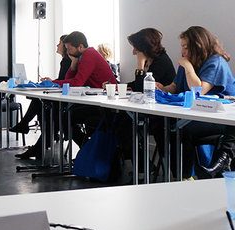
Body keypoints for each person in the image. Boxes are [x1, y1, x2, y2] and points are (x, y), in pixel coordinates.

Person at [18, 31, 117, 159]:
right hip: (91, 98)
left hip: (102, 103)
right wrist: (74, 63)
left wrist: (53, 83)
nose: (68, 52)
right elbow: (68, 79)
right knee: (57, 113)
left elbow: (77, 82)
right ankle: (42, 147)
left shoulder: (89, 55)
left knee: (62, 116)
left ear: (80, 47)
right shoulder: (82, 56)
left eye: (69, 49)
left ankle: (86, 149)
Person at [159, 26, 235, 177]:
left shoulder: (215, 62)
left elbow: (199, 90)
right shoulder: (190, 62)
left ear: (198, 46)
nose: (182, 52)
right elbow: (175, 87)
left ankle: (187, 176)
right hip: (198, 114)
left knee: (181, 130)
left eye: (186, 47)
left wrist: (188, 67)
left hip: (221, 118)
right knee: (163, 125)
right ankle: (180, 175)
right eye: (182, 47)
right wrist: (161, 88)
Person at [11, 34, 70, 135]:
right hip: (62, 94)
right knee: (39, 101)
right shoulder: (66, 60)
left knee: (39, 101)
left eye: (59, 43)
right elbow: (63, 79)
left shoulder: (66, 61)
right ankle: (27, 126)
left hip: (64, 98)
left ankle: (26, 125)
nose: (57, 45)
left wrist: (52, 82)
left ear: (65, 47)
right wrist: (52, 81)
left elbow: (64, 81)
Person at [127, 28, 175, 92]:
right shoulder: (149, 60)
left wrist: (140, 64)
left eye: (136, 49)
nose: (133, 52)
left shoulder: (161, 61)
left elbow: (142, 88)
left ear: (144, 48)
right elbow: (137, 83)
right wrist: (120, 86)